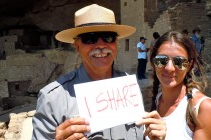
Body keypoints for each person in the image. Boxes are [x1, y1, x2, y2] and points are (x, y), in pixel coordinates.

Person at [32, 4, 166, 140]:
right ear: (77, 46)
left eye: (108, 37)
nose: (101, 45)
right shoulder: (53, 99)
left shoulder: (129, 89)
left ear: (116, 43)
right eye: (89, 38)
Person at [149, 31, 211, 140]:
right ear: (153, 62)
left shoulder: (205, 108)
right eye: (161, 60)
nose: (169, 68)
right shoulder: (158, 100)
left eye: (179, 61)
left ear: (189, 66)